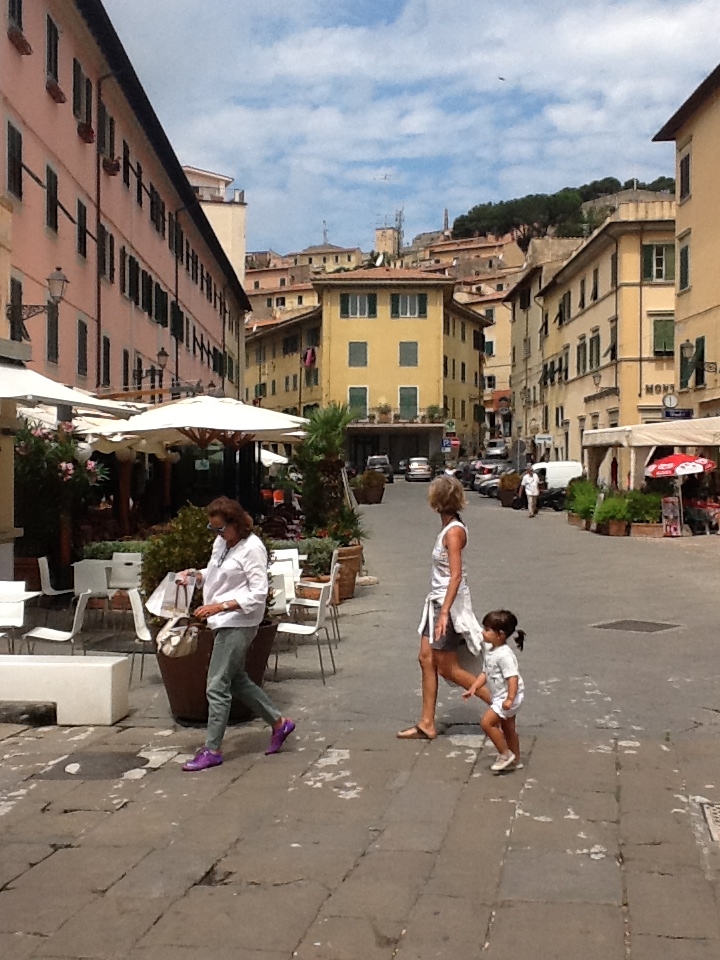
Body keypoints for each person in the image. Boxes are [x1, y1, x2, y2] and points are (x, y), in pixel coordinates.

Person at [177, 496, 295, 771]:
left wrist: (219, 606)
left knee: (216, 685)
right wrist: (195, 574)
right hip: (222, 620)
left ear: (236, 524)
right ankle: (280, 723)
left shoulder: (252, 548)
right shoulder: (222, 543)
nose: (217, 534)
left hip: (239, 621)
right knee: (237, 679)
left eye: (220, 529)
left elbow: (258, 593)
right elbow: (217, 573)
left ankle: (213, 749)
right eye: (213, 529)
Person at [397, 476, 490, 741]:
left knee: (448, 668)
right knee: (426, 659)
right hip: (436, 603)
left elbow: (456, 575)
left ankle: (500, 707)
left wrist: (445, 613)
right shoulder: (448, 528)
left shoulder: (453, 532)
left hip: (445, 605)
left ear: (436, 502)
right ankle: (426, 723)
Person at [463, 609, 525, 772]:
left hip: (507, 696)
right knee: (508, 728)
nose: (483, 633)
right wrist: (474, 687)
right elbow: (485, 672)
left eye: (487, 630)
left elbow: (513, 678)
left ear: (500, 634)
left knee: (487, 723)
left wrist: (510, 698)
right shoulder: (491, 651)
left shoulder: (504, 655)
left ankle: (505, 754)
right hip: (502, 696)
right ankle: (516, 759)